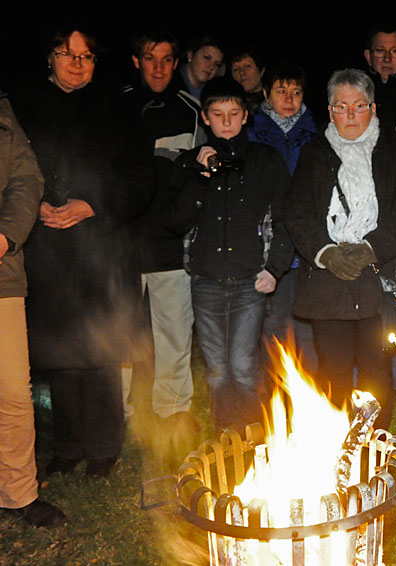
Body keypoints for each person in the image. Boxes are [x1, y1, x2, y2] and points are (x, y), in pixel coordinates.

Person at [12, 28, 152, 478]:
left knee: (101, 346)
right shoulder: (25, 107)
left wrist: (92, 205)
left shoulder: (118, 107)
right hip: (49, 247)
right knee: (61, 351)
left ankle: (105, 445)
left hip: (102, 244)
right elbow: (14, 172)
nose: (76, 63)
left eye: (87, 55)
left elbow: (141, 177)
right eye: (67, 54)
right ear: (50, 58)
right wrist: (33, 205)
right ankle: (68, 446)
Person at [285, 69, 396, 431]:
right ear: (329, 111)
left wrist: (369, 249)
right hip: (327, 282)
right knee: (333, 369)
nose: (350, 115)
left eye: (358, 106)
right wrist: (326, 252)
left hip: (378, 276)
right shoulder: (313, 154)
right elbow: (296, 211)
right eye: (341, 106)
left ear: (373, 108)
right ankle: (335, 444)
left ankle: (375, 446)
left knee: (377, 369)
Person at [164, 77, 292, 432]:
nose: (226, 122)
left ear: (245, 116)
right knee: (217, 370)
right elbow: (173, 220)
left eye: (233, 113)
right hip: (205, 280)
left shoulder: (265, 160)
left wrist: (275, 268)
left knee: (243, 365)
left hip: (250, 279)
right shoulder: (190, 163)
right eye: (217, 114)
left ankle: (255, 437)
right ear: (205, 117)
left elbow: (286, 218)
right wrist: (201, 177)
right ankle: (226, 439)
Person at [122, 29, 205, 434]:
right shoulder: (117, 105)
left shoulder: (191, 111)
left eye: (167, 59)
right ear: (136, 60)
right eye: (150, 58)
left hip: (171, 247)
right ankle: (117, 415)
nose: (159, 67)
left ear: (177, 63)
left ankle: (173, 412)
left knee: (173, 336)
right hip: (121, 244)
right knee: (119, 336)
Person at [0, 91, 66, 527]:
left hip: (1, 272)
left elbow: (27, 180)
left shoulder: (3, 110)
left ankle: (18, 493)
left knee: (12, 392)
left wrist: (5, 237)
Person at [248, 62, 318, 371]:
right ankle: (273, 396)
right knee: (273, 326)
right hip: (268, 242)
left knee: (307, 327)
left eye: (296, 92)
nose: (289, 99)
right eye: (281, 91)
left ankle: (310, 395)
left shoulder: (317, 133)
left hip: (307, 247)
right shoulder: (252, 134)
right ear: (266, 94)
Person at [178, 35, 224, 103]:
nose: (211, 66)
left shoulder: (213, 94)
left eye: (217, 64)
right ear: (190, 55)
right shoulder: (170, 84)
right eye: (206, 58)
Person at [229, 46, 265, 117]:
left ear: (261, 71)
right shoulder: (228, 103)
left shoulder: (275, 101)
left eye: (248, 66)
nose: (242, 72)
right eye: (236, 69)